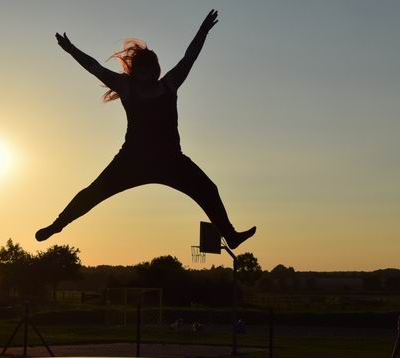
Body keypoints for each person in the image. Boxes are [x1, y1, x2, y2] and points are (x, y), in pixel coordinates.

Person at [35, 9, 256, 250]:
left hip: (171, 160)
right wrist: (71, 50)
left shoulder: (169, 85)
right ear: (136, 70)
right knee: (93, 193)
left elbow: (189, 58)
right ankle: (57, 225)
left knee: (208, 189)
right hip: (132, 161)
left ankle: (230, 235)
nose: (146, 74)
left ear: (155, 70)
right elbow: (95, 67)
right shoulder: (126, 87)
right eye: (142, 69)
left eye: (150, 69)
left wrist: (203, 31)